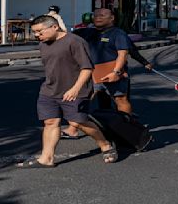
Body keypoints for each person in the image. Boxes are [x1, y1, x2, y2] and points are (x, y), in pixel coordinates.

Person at [17, 15, 117, 168]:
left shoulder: (75, 41)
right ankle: (46, 159)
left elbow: (87, 68)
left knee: (78, 122)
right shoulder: (43, 44)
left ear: (54, 27)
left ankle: (105, 145)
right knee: (50, 122)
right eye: (35, 32)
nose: (37, 35)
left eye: (40, 31)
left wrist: (75, 89)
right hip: (49, 90)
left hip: (75, 90)